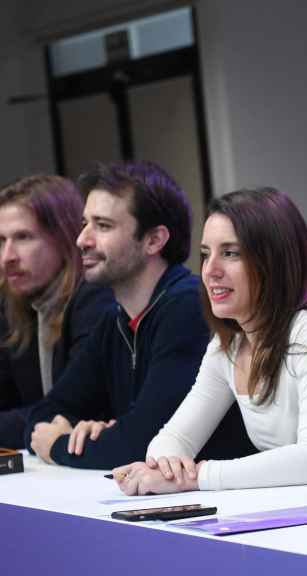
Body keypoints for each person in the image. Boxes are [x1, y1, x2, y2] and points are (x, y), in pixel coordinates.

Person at [111, 188, 307, 493]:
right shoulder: (228, 345)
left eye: (230, 253)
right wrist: (163, 467)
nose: (210, 271)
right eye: (206, 254)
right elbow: (175, 439)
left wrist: (197, 477)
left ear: (273, 261)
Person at [26, 162, 253, 469]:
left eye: (103, 226)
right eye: (84, 224)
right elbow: (43, 415)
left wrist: (59, 445)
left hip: (225, 500)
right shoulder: (115, 318)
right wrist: (88, 430)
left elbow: (141, 443)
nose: (82, 240)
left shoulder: (187, 308)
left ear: (154, 240)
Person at [0, 175, 113, 448]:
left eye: (23, 237)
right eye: (1, 241)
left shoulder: (95, 299)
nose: (7, 257)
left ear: (66, 238)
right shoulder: (15, 305)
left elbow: (71, 411)